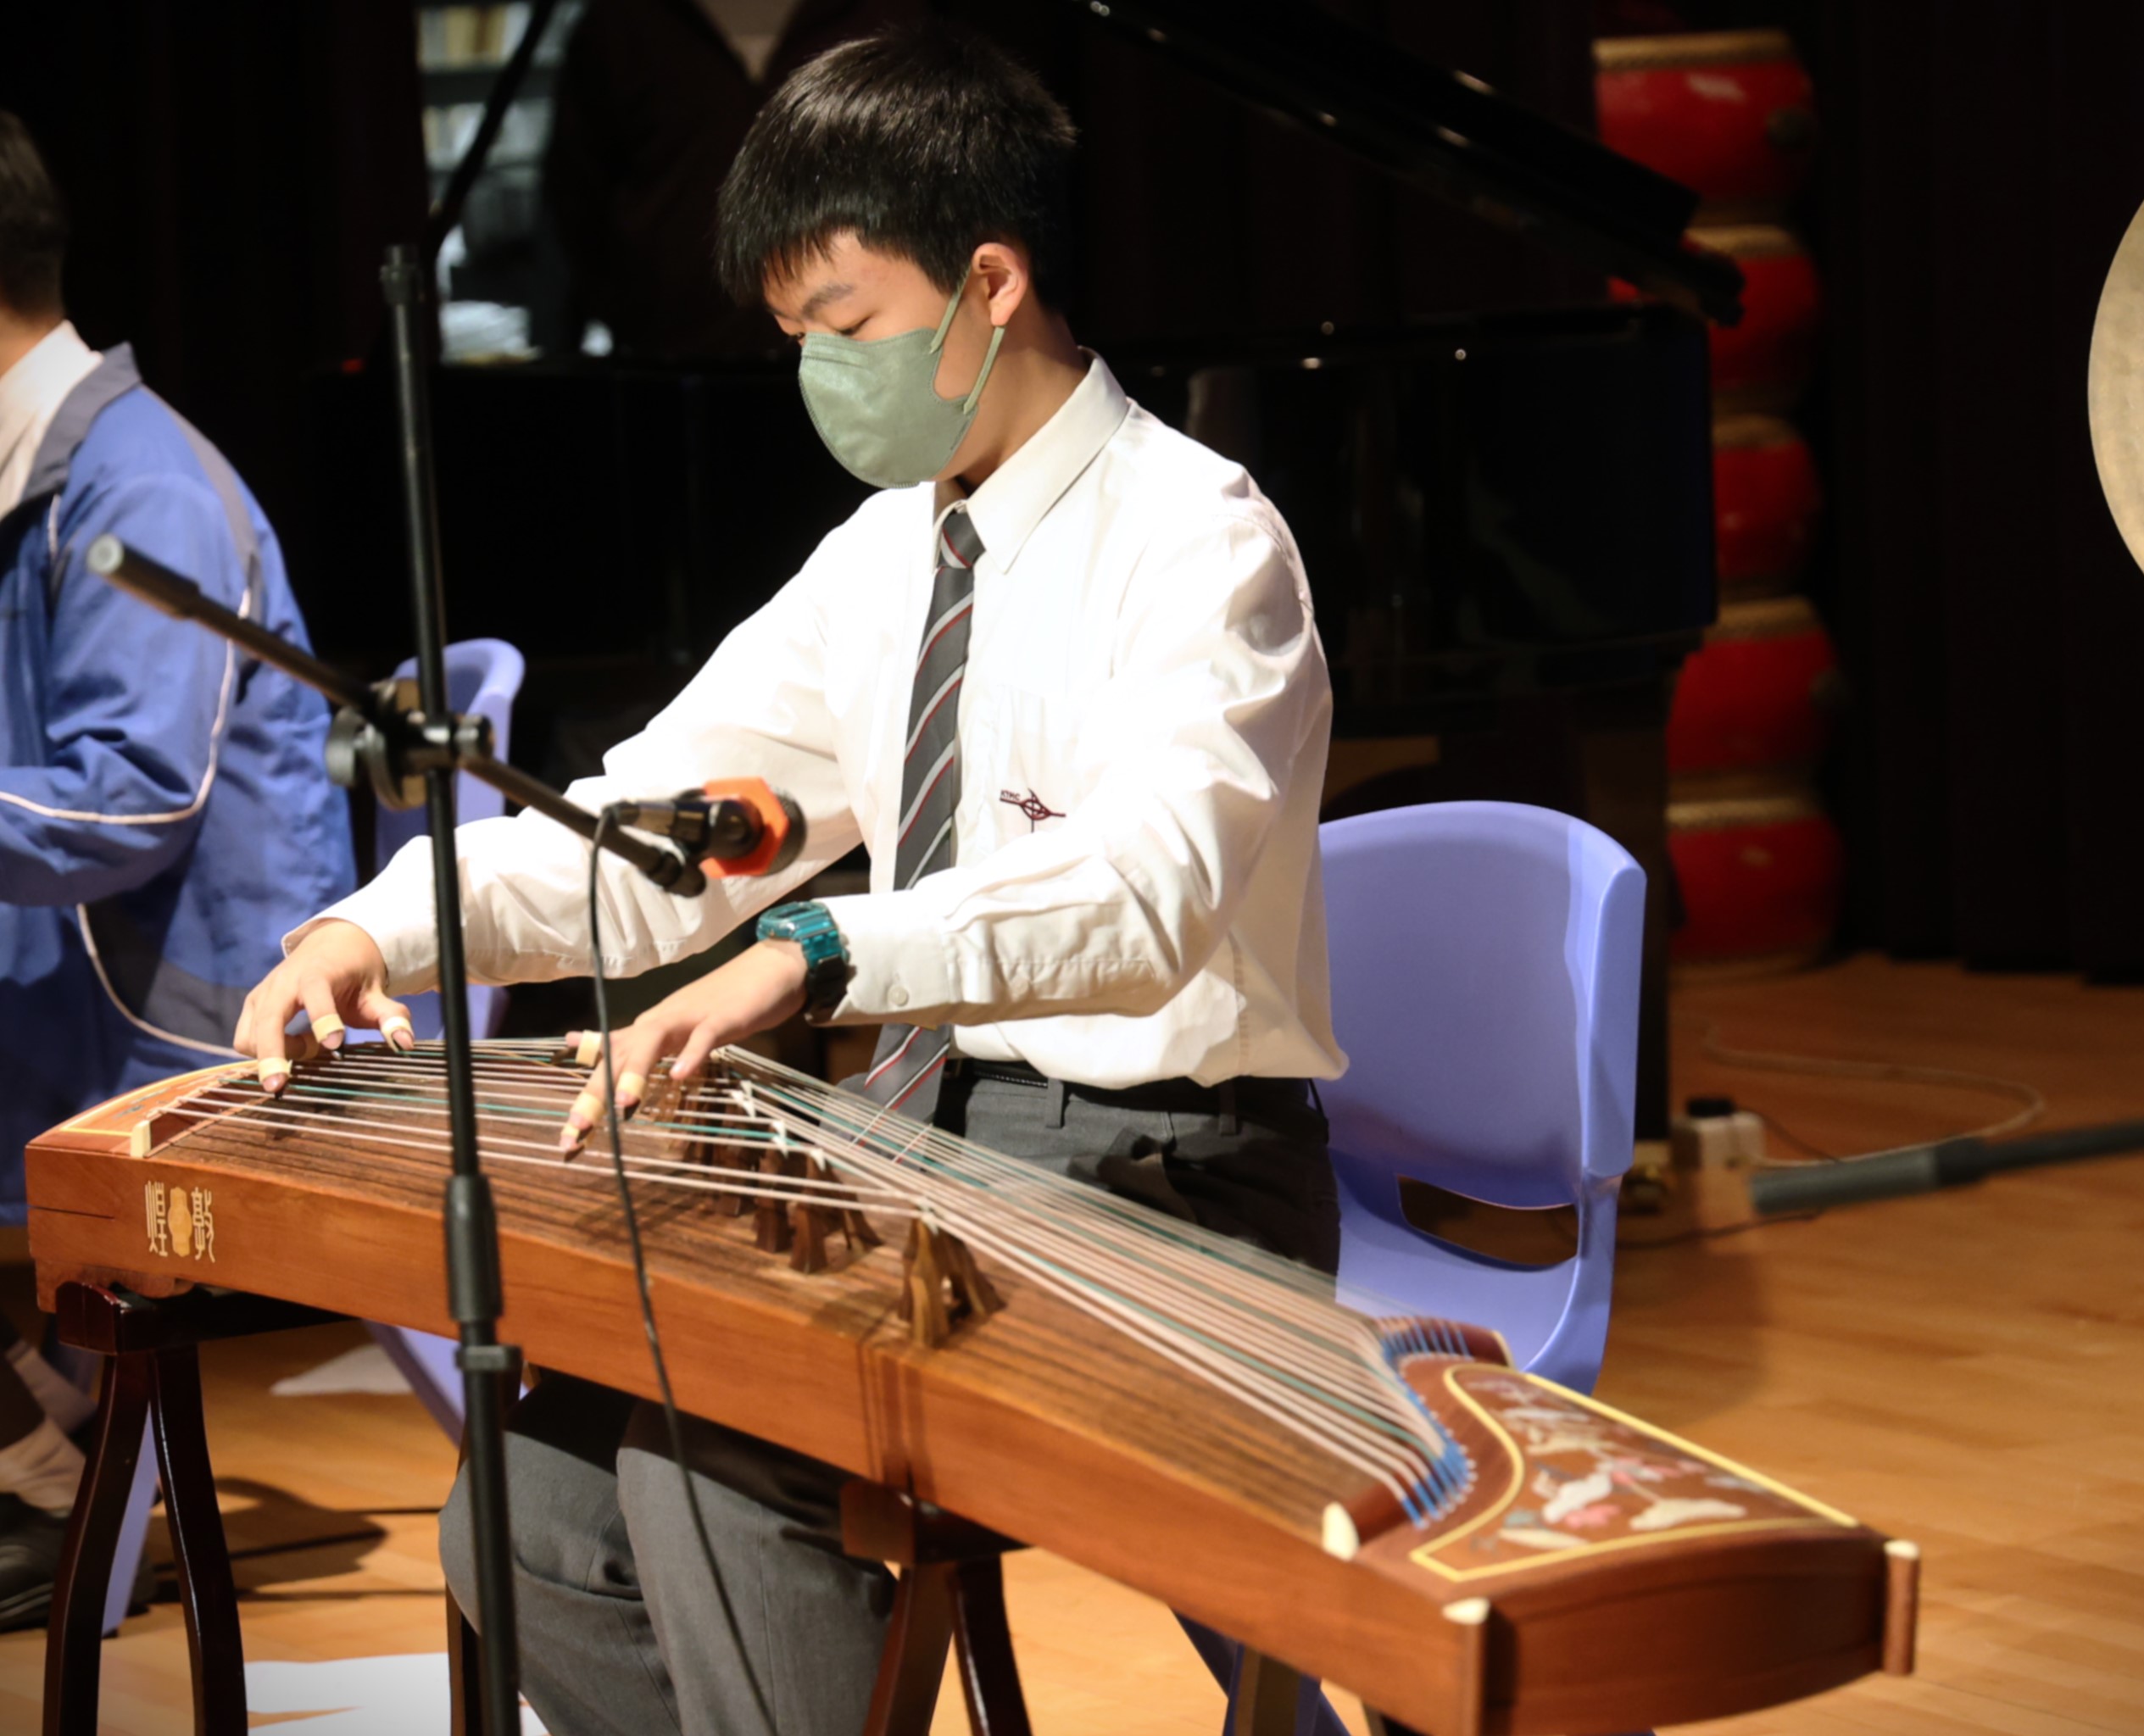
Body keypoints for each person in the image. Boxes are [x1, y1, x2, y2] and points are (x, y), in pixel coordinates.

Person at [238, 25, 1347, 1735]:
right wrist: (374, 927)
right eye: (797, 340)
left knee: (713, 1450)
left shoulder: (1202, 542)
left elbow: (1150, 894)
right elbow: (647, 837)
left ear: (991, 284)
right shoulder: (886, 553)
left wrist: (818, 947)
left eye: (847, 326)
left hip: (1171, 1176)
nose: (824, 375)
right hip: (931, 1150)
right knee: (524, 1513)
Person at [0, 109, 355, 1629]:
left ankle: (46, 1484)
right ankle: (49, 1449)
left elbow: (129, 805)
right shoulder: (41, 473)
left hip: (196, 1024)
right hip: (70, 998)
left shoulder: (135, 486)